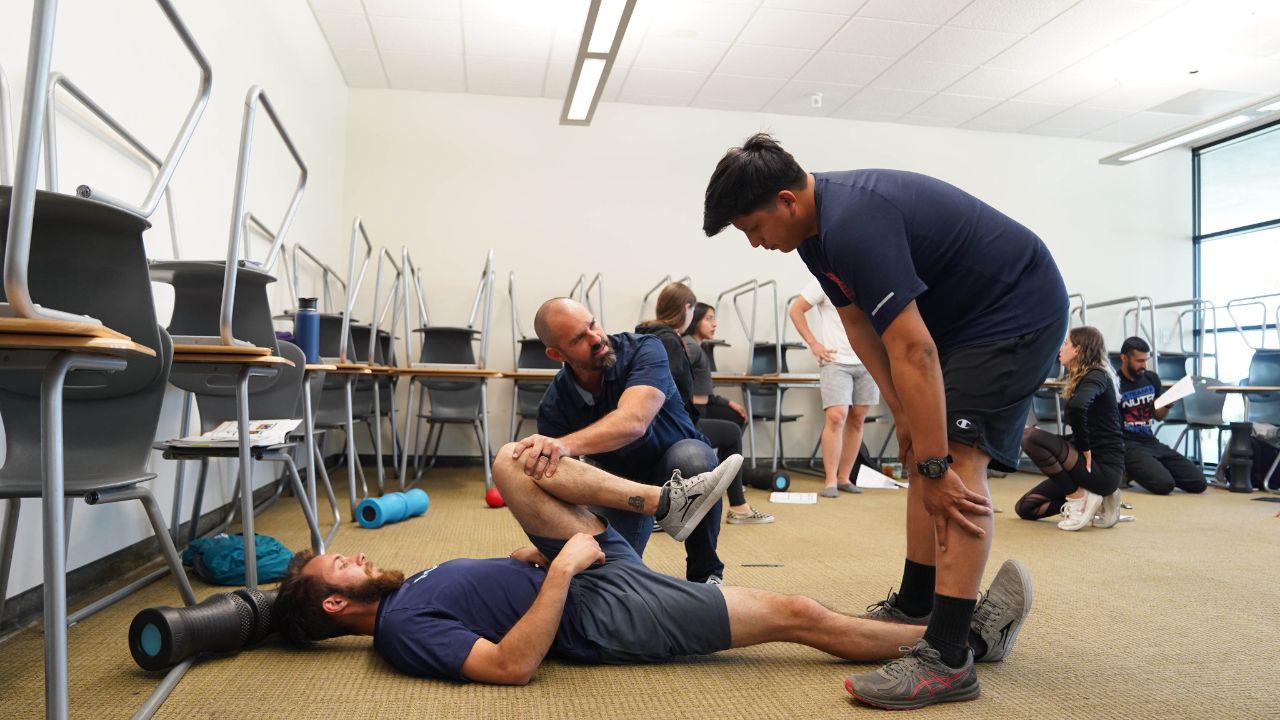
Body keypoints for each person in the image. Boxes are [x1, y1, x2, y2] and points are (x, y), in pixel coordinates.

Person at [702, 133, 1067, 709]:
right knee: (927, 454)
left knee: (953, 463)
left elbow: (915, 350)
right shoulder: (815, 239)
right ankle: (917, 606)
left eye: (753, 228)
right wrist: (900, 411)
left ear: (787, 201)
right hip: (964, 320)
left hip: (1013, 311)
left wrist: (933, 458)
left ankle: (948, 658)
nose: (755, 243)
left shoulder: (855, 222)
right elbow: (857, 326)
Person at [273, 445, 1034, 698]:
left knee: (514, 459)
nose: (359, 554)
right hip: (606, 611)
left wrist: (535, 558)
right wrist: (562, 571)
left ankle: (665, 506)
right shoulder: (402, 631)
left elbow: (490, 604)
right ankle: (959, 640)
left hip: (586, 574)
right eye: (345, 564)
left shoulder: (406, 593)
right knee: (795, 613)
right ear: (338, 606)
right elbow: (509, 666)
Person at [519, 297, 726, 583]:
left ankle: (706, 576)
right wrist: (558, 543)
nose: (595, 338)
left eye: (593, 324)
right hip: (622, 485)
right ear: (557, 355)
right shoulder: (555, 405)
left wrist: (565, 444)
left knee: (695, 460)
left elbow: (634, 422)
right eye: (580, 338)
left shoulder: (644, 348)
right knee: (607, 577)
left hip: (678, 460)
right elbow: (560, 484)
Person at [637, 283, 772, 525]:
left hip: (659, 421)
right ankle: (738, 506)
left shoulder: (648, 334)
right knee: (731, 432)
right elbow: (674, 392)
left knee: (731, 424)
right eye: (709, 317)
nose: (714, 323)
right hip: (670, 424)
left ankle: (721, 490)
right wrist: (689, 426)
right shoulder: (671, 341)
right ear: (688, 309)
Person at [1015, 327, 1126, 530]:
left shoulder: (1096, 375)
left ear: (1078, 350)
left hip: (1101, 468)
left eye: (1066, 343)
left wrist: (1084, 447)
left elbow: (1078, 407)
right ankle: (1095, 500)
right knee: (1025, 508)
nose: (1061, 348)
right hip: (1085, 468)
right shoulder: (1086, 377)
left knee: (1029, 437)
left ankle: (1078, 498)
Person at [790, 278, 881, 498]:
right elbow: (796, 310)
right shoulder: (824, 278)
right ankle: (830, 479)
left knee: (858, 417)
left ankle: (844, 478)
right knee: (836, 416)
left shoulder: (873, 276)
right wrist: (814, 344)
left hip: (867, 359)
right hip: (835, 360)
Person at [1117, 336, 1206, 495]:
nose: (1144, 365)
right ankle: (1131, 469)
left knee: (1199, 483)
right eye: (1139, 361)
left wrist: (1168, 403)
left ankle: (1147, 467)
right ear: (1124, 358)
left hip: (1150, 441)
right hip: (1127, 444)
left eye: (1146, 360)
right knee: (1164, 485)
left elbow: (1158, 416)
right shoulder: (1114, 383)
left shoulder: (1151, 378)